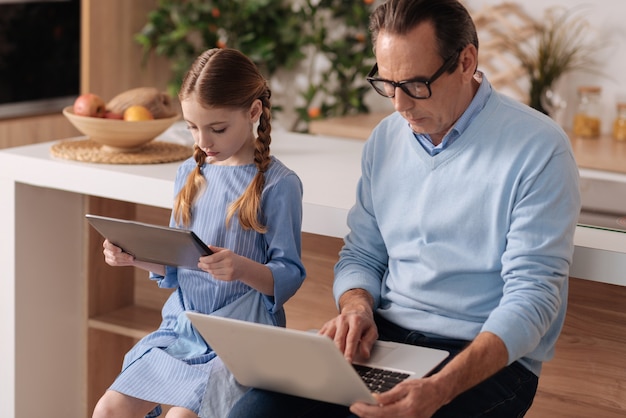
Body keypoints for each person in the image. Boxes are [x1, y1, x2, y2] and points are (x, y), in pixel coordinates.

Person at [228, 0, 581, 417]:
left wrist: (439, 388)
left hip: (483, 359)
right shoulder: (386, 139)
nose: (398, 105)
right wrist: (357, 307)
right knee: (253, 411)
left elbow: (533, 300)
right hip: (386, 341)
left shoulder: (539, 148)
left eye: (415, 84)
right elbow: (362, 255)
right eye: (387, 83)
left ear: (466, 61)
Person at [91, 48, 306, 418]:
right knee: (109, 408)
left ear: (253, 112)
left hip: (241, 338)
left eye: (217, 128)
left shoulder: (278, 184)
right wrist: (134, 256)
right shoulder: (189, 175)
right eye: (192, 127)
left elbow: (290, 274)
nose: (203, 141)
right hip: (184, 327)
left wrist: (241, 268)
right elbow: (180, 262)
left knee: (182, 416)